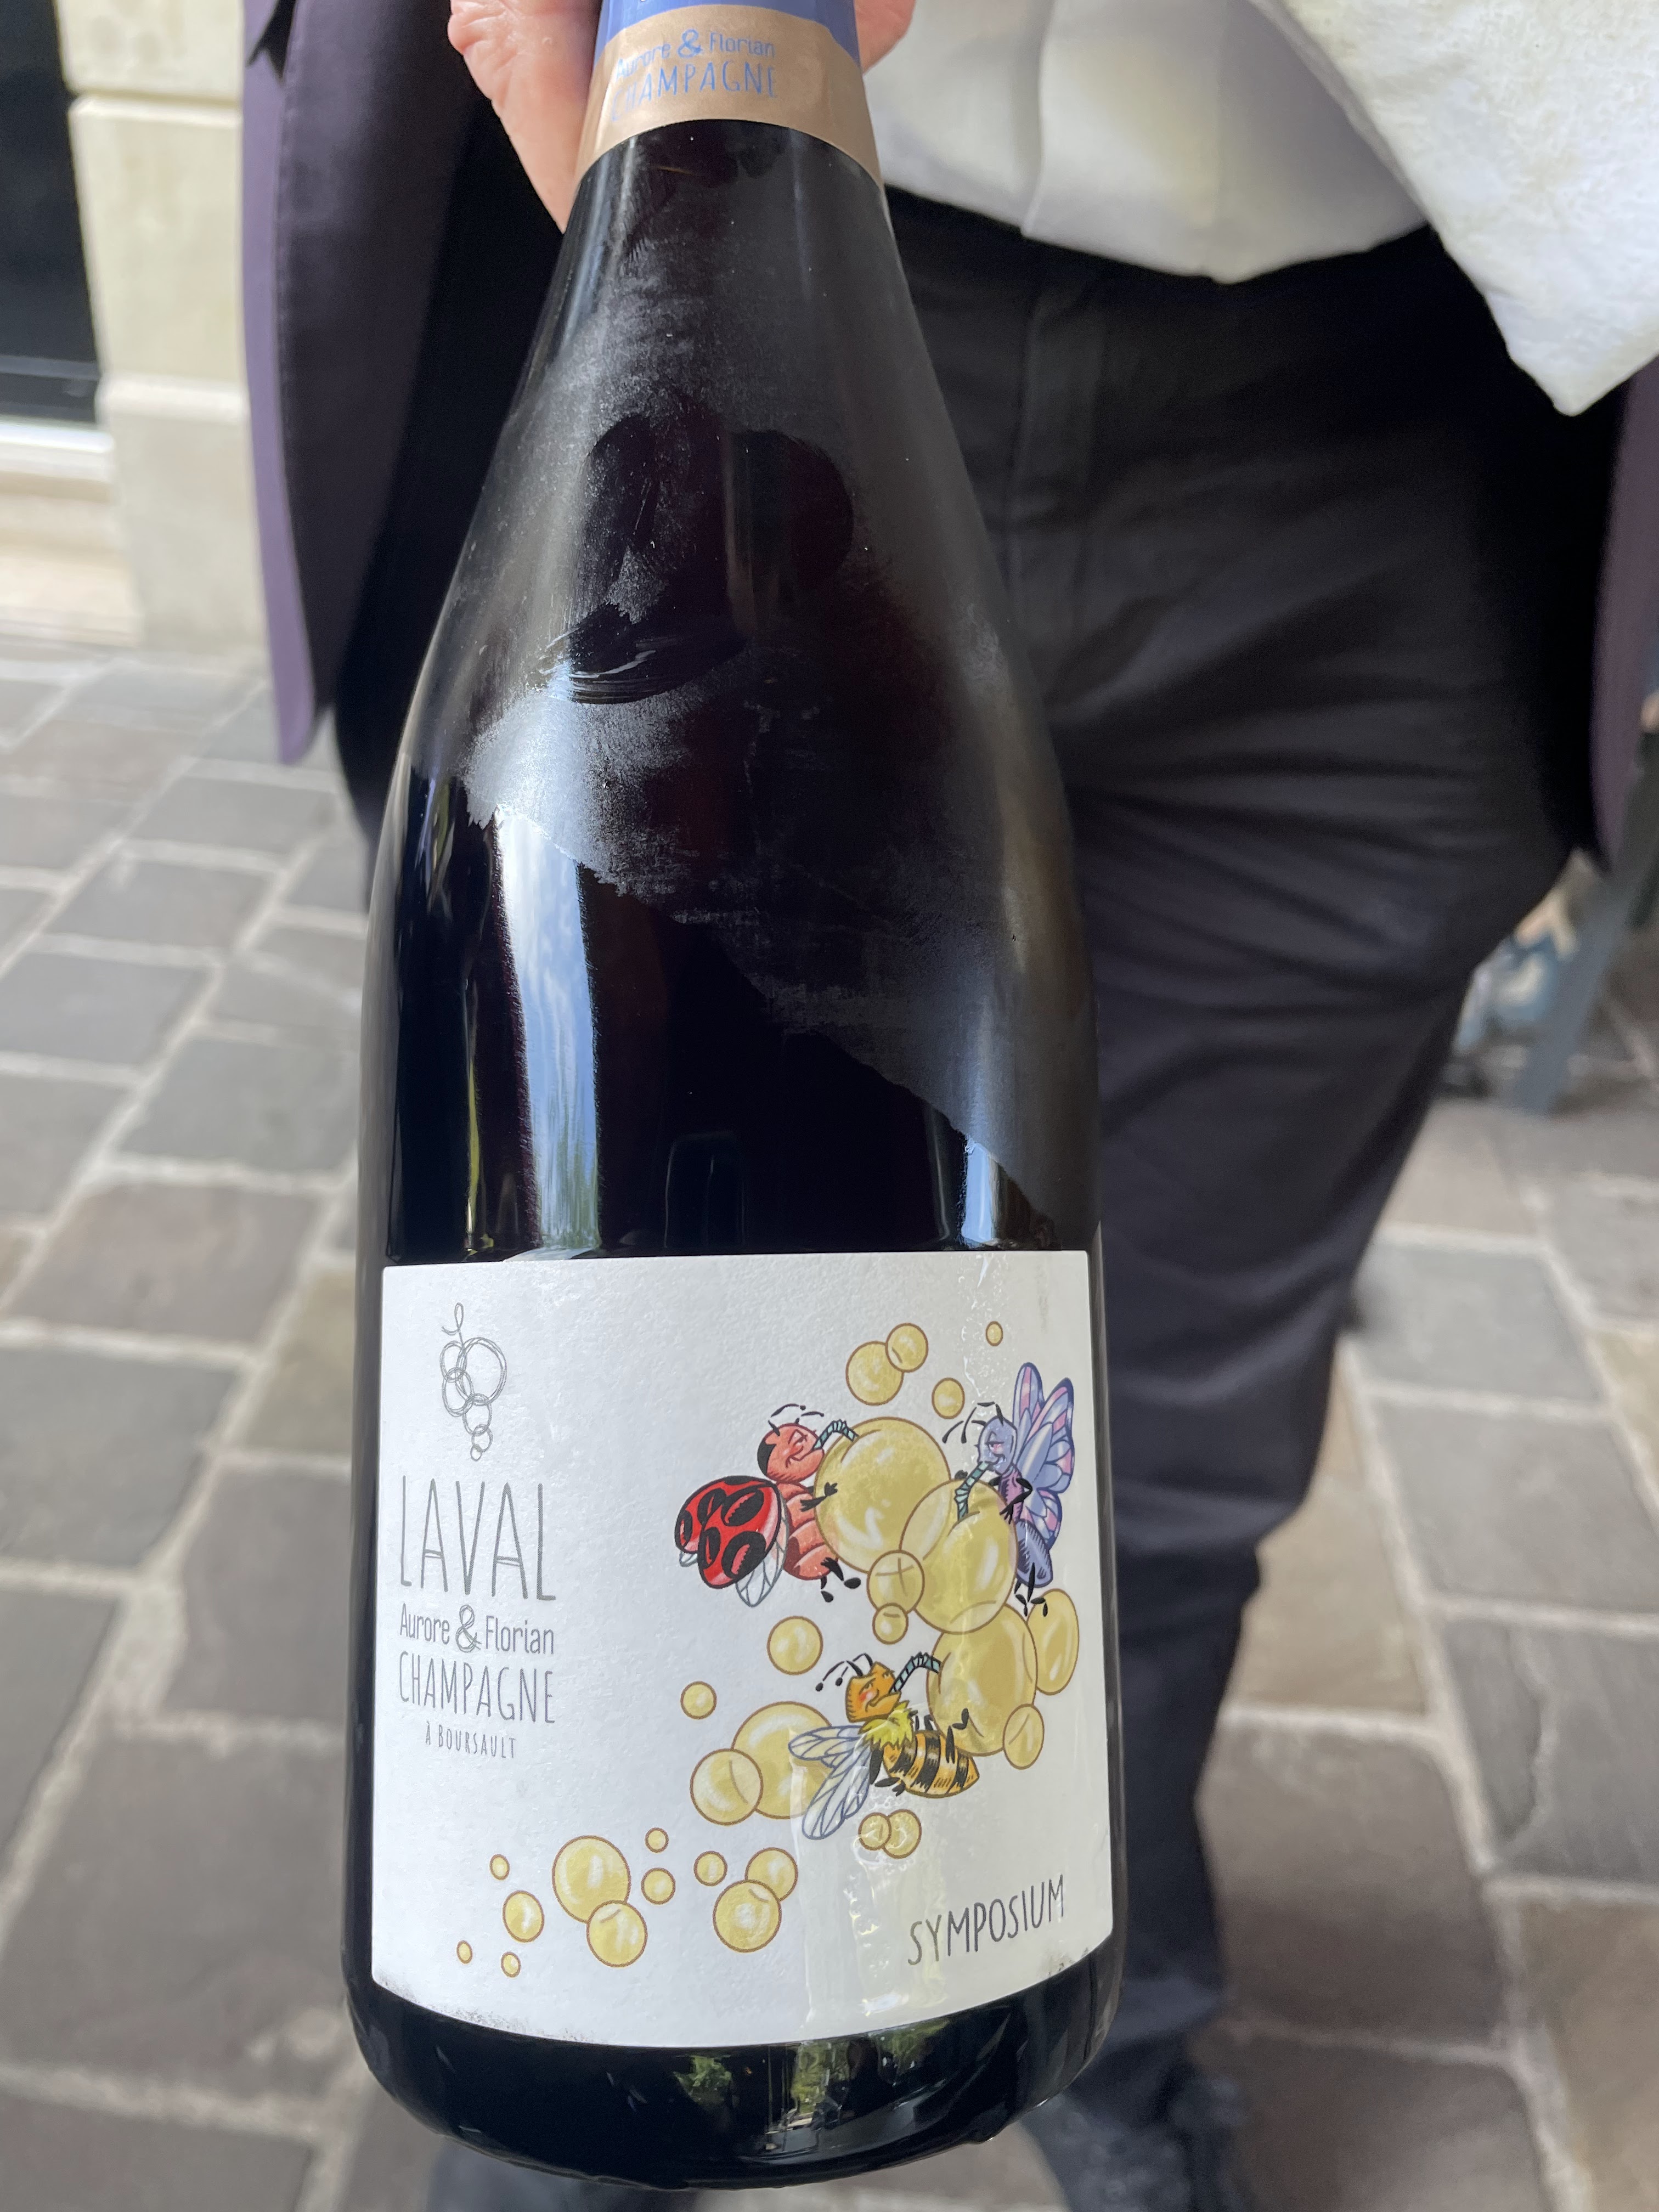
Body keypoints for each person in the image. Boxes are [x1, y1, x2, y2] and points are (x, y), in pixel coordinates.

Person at [243, 2, 1659, 2206]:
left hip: (1411, 404)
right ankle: (577, 2031)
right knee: (580, 1274)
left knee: (1165, 1435)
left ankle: (1098, 1990)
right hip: (654, 273)